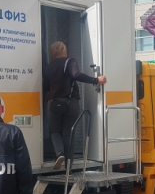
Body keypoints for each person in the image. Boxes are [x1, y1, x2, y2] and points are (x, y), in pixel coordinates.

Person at [43, 41, 107, 169]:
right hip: (70, 103)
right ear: (64, 51)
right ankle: (68, 168)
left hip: (54, 104)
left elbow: (45, 87)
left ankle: (59, 153)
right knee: (68, 134)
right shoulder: (69, 61)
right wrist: (96, 80)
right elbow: (76, 75)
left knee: (55, 132)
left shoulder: (49, 67)